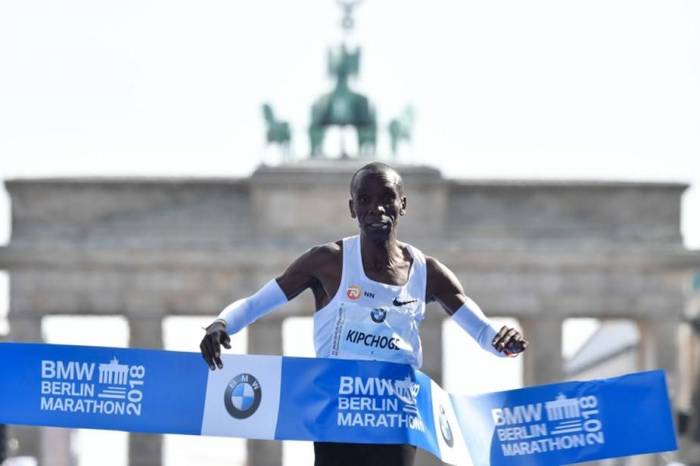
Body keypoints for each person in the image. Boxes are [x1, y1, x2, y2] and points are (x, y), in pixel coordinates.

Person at [200, 162, 528, 466]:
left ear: (403, 204)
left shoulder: (429, 272)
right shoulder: (327, 261)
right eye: (365, 199)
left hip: (395, 415)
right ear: (352, 207)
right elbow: (256, 303)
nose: (377, 208)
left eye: (387, 198)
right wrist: (221, 323)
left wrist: (505, 343)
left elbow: (486, 335)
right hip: (336, 413)